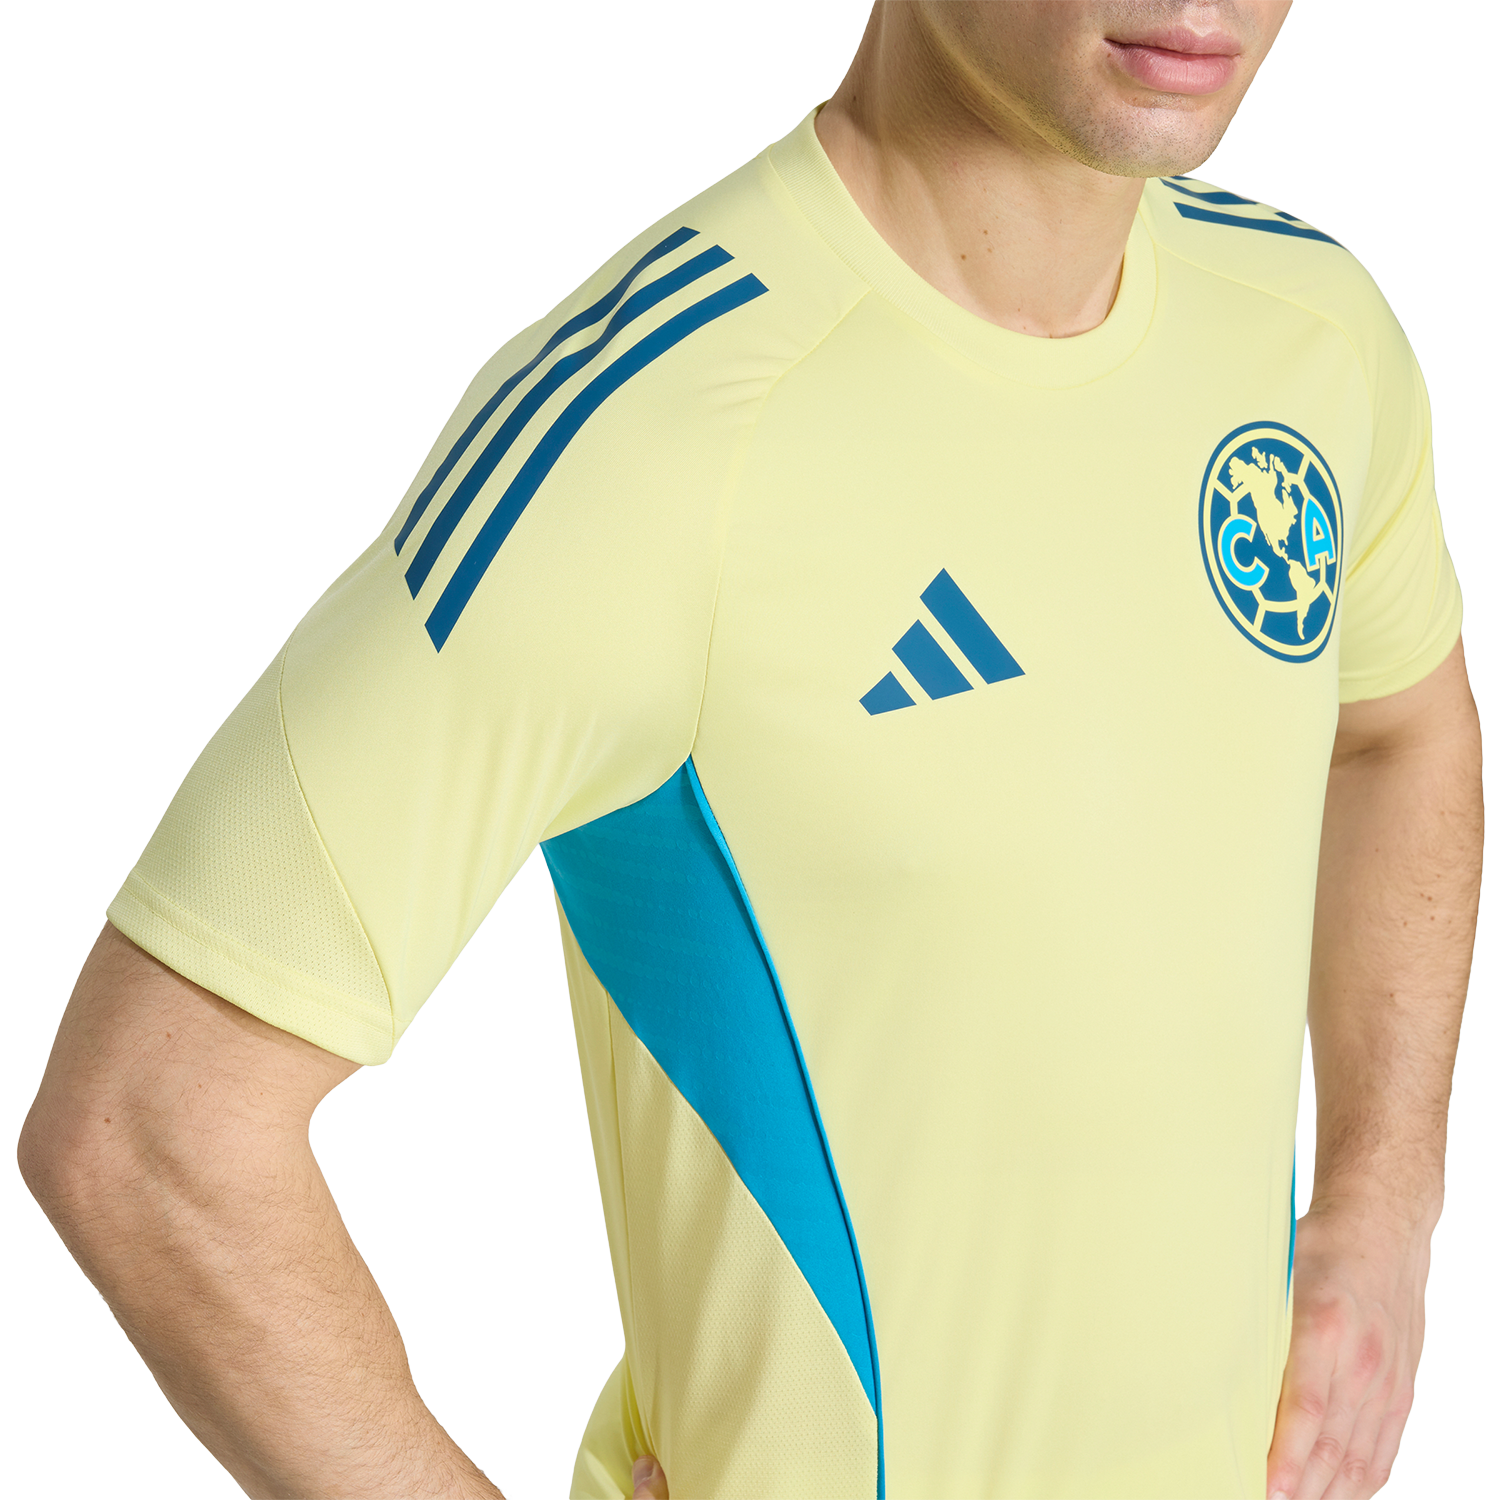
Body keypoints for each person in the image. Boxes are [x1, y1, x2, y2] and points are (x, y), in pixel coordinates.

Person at [18, 0, 1481, 1497]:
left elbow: (1398, 732)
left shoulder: (1309, 330)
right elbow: (149, 1129)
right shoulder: (655, 432)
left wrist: (1385, 1199)